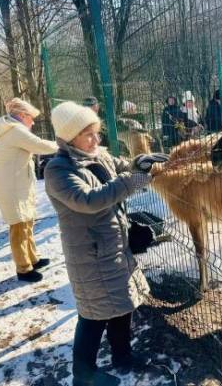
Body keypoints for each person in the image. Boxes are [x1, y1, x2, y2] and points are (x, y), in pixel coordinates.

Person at [44, 101, 168, 386]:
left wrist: (141, 163)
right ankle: (83, 374)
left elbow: (124, 169)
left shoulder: (99, 155)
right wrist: (132, 178)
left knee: (121, 304)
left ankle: (122, 357)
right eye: (89, 134)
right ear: (69, 137)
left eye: (96, 133)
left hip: (114, 246)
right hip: (91, 254)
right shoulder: (58, 170)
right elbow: (90, 200)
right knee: (94, 314)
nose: (96, 140)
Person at [0, 98, 58, 283]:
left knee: (27, 222)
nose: (33, 122)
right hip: (12, 188)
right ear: (21, 115)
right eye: (31, 117)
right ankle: (23, 268)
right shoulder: (15, 130)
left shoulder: (10, 129)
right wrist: (63, 144)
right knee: (18, 227)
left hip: (17, 186)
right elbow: (40, 146)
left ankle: (32, 259)